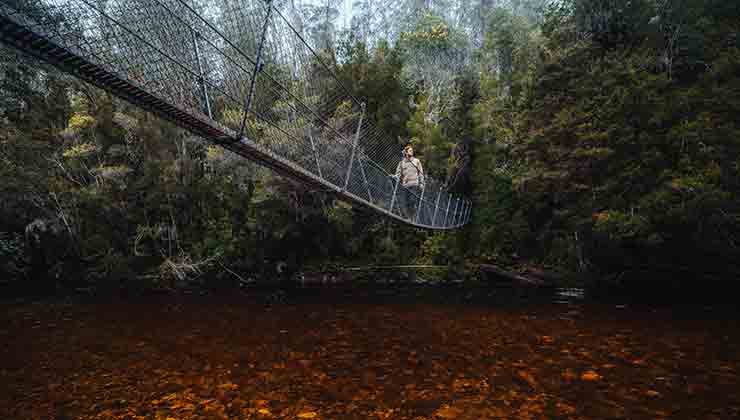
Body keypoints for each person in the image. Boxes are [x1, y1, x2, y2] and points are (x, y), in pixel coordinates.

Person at [394, 145, 425, 219]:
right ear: (406, 152)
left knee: (412, 201)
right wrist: (394, 177)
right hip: (405, 185)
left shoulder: (416, 161)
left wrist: (421, 183)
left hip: (414, 183)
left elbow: (421, 173)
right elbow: (398, 173)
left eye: (412, 150)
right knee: (406, 202)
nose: (412, 152)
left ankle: (413, 217)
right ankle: (408, 217)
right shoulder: (402, 163)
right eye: (410, 150)